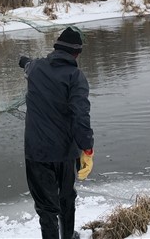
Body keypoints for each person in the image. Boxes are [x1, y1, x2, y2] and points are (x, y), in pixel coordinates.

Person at [18, 26, 94, 239]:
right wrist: (87, 148)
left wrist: (22, 60)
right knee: (66, 199)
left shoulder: (35, 68)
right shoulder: (76, 76)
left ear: (56, 48)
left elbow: (27, 64)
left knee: (46, 208)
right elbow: (81, 115)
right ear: (77, 54)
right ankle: (68, 236)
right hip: (65, 153)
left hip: (37, 153)